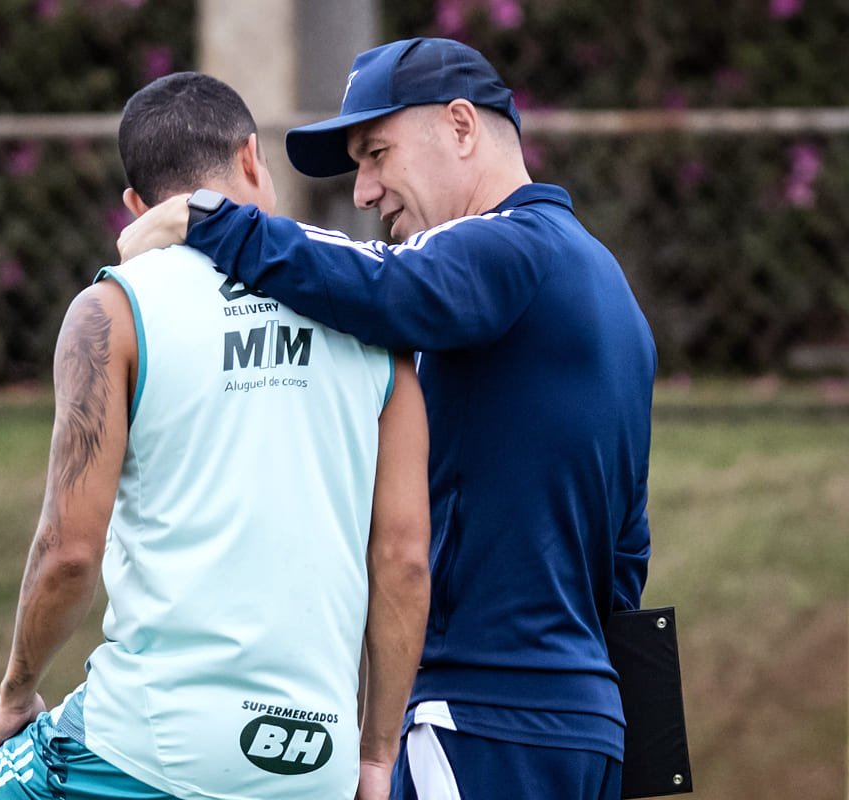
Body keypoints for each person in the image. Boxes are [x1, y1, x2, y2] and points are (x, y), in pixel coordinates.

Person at [117, 37, 656, 800]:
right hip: (584, 726)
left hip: (482, 717)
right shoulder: (609, 287)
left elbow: (382, 286)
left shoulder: (508, 248)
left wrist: (207, 223)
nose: (364, 190)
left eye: (376, 153)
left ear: (462, 127)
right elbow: (627, 552)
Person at [0, 71, 431, 800]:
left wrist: (16, 691)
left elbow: (69, 552)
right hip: (315, 763)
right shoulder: (371, 294)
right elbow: (401, 560)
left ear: (137, 207)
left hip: (146, 745)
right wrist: (374, 757)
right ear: (251, 159)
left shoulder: (113, 308)